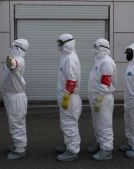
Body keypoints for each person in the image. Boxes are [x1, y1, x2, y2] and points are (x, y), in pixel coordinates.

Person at [87, 38, 117, 160]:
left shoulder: (106, 62)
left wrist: (99, 99)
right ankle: (100, 143)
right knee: (97, 123)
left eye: (97, 47)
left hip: (103, 98)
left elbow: (106, 82)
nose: (94, 50)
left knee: (104, 124)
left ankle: (107, 150)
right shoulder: (99, 61)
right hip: (97, 98)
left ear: (102, 48)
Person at [55, 33, 82, 161]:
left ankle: (72, 151)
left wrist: (66, 97)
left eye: (60, 43)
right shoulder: (66, 57)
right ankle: (68, 145)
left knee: (70, 124)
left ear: (66, 44)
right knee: (66, 124)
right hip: (67, 96)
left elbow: (71, 80)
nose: (58, 46)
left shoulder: (70, 58)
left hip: (69, 97)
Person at [3, 39, 29, 160]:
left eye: (12, 46)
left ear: (18, 48)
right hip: (11, 96)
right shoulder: (15, 58)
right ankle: (17, 144)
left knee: (17, 123)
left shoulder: (18, 60)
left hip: (16, 97)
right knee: (14, 122)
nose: (10, 48)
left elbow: (12, 65)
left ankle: (20, 149)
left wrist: (9, 58)